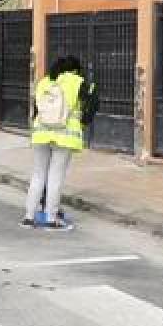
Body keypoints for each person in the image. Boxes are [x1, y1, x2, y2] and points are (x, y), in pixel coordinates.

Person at [23, 56, 97, 230]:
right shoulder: (79, 82)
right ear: (75, 69)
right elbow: (93, 103)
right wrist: (84, 121)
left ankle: (28, 217)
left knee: (38, 175)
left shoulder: (44, 82)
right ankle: (51, 219)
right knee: (55, 176)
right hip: (64, 135)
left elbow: (35, 110)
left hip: (41, 133)